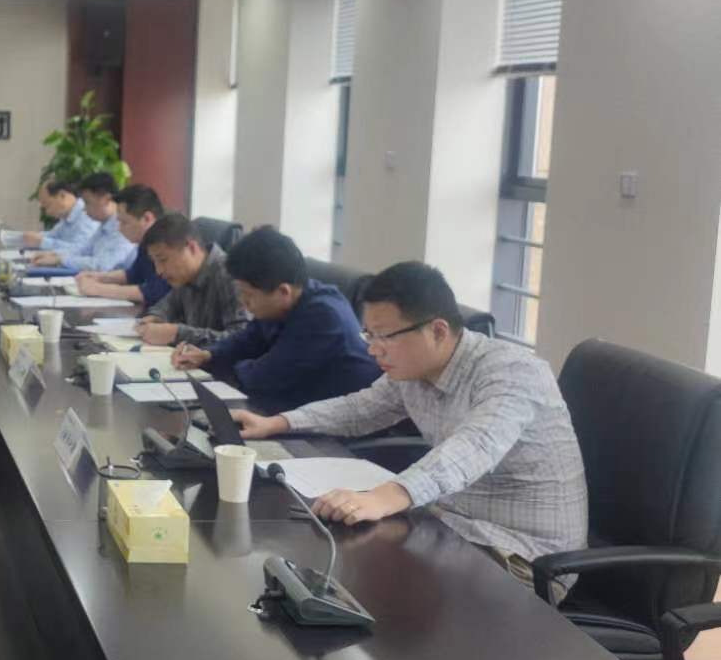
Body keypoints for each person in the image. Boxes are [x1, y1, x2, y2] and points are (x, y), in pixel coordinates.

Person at [232, 262, 587, 594]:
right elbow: (360, 408)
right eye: (369, 335)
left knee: (376, 583)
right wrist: (277, 423)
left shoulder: (513, 372)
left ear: (437, 331)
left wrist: (385, 497)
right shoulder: (415, 369)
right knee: (342, 550)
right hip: (451, 524)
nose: (373, 350)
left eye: (384, 336)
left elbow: (475, 446)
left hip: (522, 557)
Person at [171, 226, 379, 412]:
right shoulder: (284, 302)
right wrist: (208, 356)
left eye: (248, 294)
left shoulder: (324, 318)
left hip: (344, 425)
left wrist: (220, 368)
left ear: (283, 291)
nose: (243, 302)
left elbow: (264, 377)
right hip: (292, 408)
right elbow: (249, 339)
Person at [136, 213, 249, 347]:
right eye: (154, 261)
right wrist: (155, 318)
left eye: (163, 260)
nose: (158, 271)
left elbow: (242, 340)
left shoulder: (230, 274)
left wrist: (177, 334)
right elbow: (165, 306)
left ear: (191, 248)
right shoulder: (185, 277)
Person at [74, 184, 170, 305]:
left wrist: (98, 289)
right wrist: (98, 277)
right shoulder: (145, 243)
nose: (119, 229)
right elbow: (133, 275)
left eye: (124, 222)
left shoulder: (168, 243)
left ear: (147, 218)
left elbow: (155, 292)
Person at [29, 173, 138, 273]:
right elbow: (83, 250)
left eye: (87, 203)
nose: (84, 209)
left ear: (105, 199)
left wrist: (61, 260)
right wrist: (55, 255)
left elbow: (102, 266)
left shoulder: (123, 227)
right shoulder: (105, 225)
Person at [19, 180, 96, 251]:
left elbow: (81, 250)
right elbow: (52, 235)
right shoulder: (67, 216)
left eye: (48, 205)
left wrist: (41, 242)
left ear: (62, 195)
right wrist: (31, 237)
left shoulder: (87, 215)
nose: (47, 213)